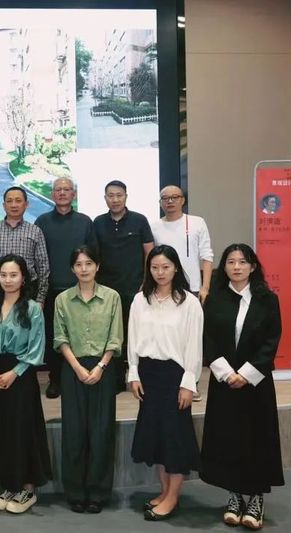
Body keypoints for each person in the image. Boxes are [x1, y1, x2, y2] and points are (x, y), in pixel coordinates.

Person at [200, 244, 284, 530]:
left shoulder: (267, 299)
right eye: (231, 262)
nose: (236, 267)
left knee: (257, 437)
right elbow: (207, 339)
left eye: (242, 262)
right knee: (228, 438)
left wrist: (247, 374)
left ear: (253, 266)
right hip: (224, 382)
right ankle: (234, 496)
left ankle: (257, 498)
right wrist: (226, 373)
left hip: (256, 383)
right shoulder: (215, 300)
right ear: (224, 267)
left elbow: (272, 340)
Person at [128, 244, 203, 521]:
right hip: (148, 374)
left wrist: (188, 382)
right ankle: (164, 491)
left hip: (175, 376)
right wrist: (133, 372)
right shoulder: (140, 300)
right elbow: (132, 338)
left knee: (175, 439)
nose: (160, 272)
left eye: (166, 267)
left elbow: (194, 344)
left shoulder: (189, 302)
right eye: (155, 267)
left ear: (176, 269)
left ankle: (172, 497)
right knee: (156, 438)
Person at [53, 245, 123, 514]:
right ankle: (75, 491)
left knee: (101, 431)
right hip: (73, 367)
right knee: (74, 432)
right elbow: (60, 337)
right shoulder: (62, 300)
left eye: (89, 263)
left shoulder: (112, 297)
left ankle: (98, 492)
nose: (84, 269)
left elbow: (115, 337)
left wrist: (101, 366)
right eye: (79, 264)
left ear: (97, 266)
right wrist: (77, 368)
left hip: (103, 368)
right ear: (72, 269)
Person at [0, 255, 52, 514]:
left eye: (14, 275)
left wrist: (15, 372)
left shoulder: (33, 309)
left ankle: (28, 488)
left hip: (21, 376)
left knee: (24, 430)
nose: (8, 280)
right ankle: (9, 484)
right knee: (1, 429)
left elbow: (36, 348)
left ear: (24, 278)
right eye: (4, 275)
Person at [35, 178, 97, 399]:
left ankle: (80, 376)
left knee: (80, 334)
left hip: (81, 289)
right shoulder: (42, 221)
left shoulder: (85, 221)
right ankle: (55, 380)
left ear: (74, 194)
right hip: (52, 290)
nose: (62, 193)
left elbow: (93, 254)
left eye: (67, 189)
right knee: (56, 337)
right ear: (52, 194)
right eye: (58, 190)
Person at [150, 185, 212, 401]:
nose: (170, 201)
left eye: (174, 197)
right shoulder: (154, 226)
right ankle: (171, 382)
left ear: (183, 200)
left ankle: (192, 384)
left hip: (192, 289)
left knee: (192, 339)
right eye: (165, 198)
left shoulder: (197, 222)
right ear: (160, 202)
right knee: (168, 338)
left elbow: (207, 256)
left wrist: (205, 287)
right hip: (163, 290)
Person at [94, 180, 155, 395]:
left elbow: (149, 252)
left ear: (126, 197)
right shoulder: (98, 222)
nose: (115, 199)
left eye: (119, 195)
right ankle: (117, 378)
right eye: (110, 195)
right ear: (105, 198)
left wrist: (146, 281)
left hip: (136, 287)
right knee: (113, 334)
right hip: (107, 289)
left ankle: (139, 376)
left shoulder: (139, 220)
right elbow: (94, 254)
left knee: (137, 333)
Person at [0, 186, 49, 305]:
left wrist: (41, 299)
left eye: (18, 201)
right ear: (4, 205)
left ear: (26, 204)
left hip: (28, 289)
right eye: (9, 201)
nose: (14, 205)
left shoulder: (35, 231)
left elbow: (43, 266)